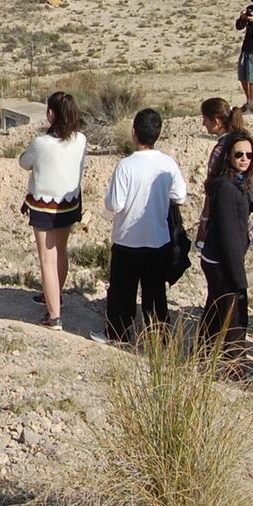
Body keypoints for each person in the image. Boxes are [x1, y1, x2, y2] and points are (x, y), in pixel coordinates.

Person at [101, 108, 188, 343]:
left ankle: (118, 334)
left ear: (134, 132)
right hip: (158, 239)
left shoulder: (126, 165)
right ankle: (159, 338)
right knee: (155, 292)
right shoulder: (168, 163)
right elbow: (180, 196)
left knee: (122, 291)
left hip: (127, 239)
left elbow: (115, 204)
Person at [18, 91, 87, 330]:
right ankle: (55, 296)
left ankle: (54, 315)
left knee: (47, 259)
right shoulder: (81, 139)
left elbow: (24, 162)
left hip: (43, 205)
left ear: (51, 113)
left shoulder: (42, 143)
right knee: (61, 251)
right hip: (69, 202)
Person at [200, 128, 253, 365]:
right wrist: (238, 277)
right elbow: (228, 234)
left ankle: (202, 358)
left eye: (249, 155)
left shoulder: (235, 182)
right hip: (223, 261)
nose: (244, 159)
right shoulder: (225, 187)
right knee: (234, 319)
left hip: (221, 258)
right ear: (228, 156)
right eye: (239, 154)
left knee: (215, 311)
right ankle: (235, 369)